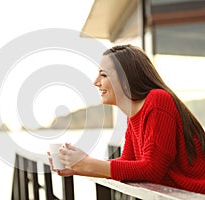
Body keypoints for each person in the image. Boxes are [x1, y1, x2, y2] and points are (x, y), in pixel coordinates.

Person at [48, 44, 205, 194]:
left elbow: (152, 170)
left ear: (126, 77)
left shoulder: (157, 100)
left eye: (103, 74)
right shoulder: (133, 116)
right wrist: (78, 168)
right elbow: (128, 164)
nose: (95, 82)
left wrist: (87, 163)